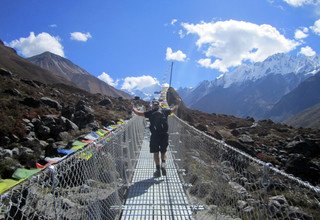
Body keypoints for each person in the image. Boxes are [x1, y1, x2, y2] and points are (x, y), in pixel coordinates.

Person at [132, 100, 178, 177]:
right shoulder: (165, 111)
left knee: (156, 153)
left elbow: (138, 113)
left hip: (154, 135)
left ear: (152, 106)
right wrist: (177, 104)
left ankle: (157, 170)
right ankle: (163, 163)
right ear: (159, 105)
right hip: (164, 135)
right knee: (163, 151)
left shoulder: (149, 113)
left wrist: (133, 108)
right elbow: (174, 110)